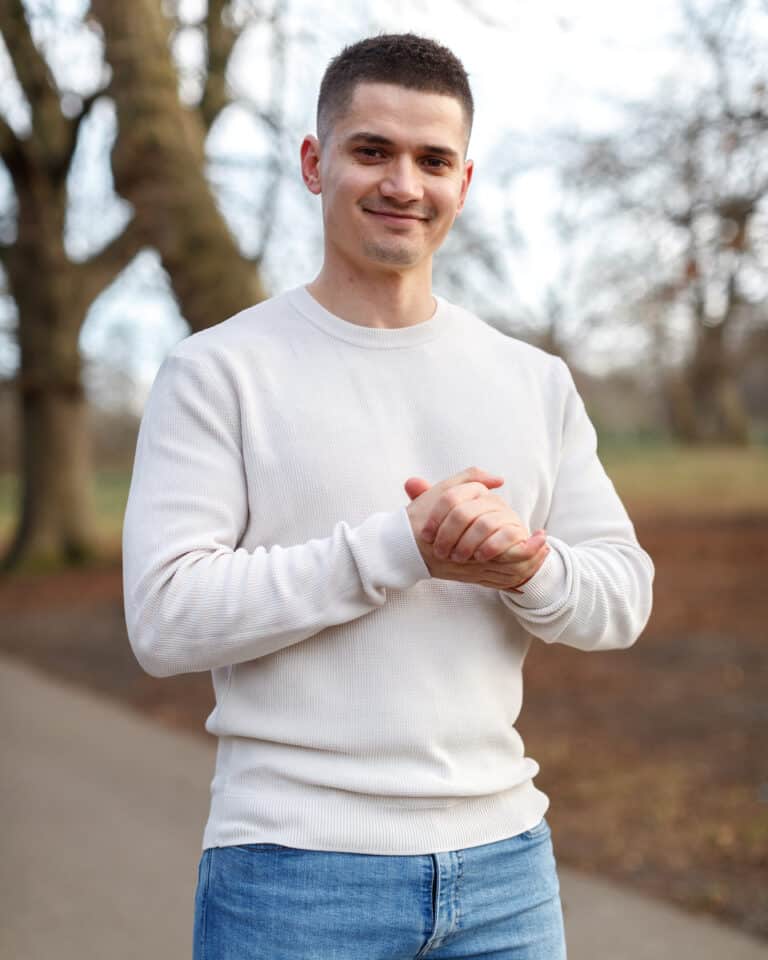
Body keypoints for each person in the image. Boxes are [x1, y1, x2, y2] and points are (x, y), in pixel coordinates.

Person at [122, 32, 654, 960]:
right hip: (292, 874)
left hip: (506, 873)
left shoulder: (534, 380)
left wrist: (531, 564)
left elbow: (623, 598)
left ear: (464, 178)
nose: (404, 183)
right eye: (373, 150)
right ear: (314, 162)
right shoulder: (216, 372)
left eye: (432, 159)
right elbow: (165, 618)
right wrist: (393, 550)